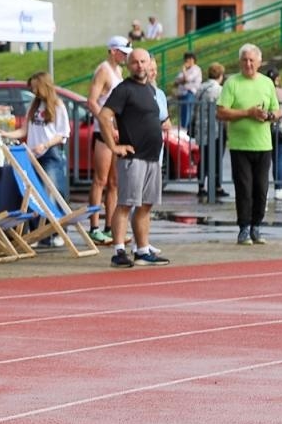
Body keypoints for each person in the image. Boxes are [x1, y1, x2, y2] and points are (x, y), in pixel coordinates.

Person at [98, 48, 169, 267]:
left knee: (146, 205)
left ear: (150, 64)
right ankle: (119, 251)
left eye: (143, 61)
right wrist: (114, 146)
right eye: (135, 62)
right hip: (133, 157)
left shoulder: (150, 89)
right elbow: (104, 116)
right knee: (126, 203)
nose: (139, 66)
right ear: (128, 66)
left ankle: (142, 249)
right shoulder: (124, 89)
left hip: (152, 157)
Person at [216, 44, 281, 246]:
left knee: (261, 189)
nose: (248, 64)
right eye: (245, 60)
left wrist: (268, 116)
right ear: (240, 62)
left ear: (260, 62)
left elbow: (277, 111)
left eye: (252, 60)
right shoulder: (232, 83)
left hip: (263, 145)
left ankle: (257, 226)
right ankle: (243, 227)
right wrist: (247, 113)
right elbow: (221, 112)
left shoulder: (267, 83)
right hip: (240, 145)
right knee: (244, 188)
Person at [85, 35, 130, 244]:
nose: (125, 56)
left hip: (116, 132)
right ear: (113, 51)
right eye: (123, 52)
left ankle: (110, 227)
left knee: (114, 182)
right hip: (103, 131)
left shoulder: (119, 71)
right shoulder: (104, 70)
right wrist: (107, 124)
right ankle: (94, 227)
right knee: (100, 180)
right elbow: (92, 102)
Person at [24, 71, 71, 248]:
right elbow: (24, 130)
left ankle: (58, 232)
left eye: (36, 87)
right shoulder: (34, 105)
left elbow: (63, 134)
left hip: (50, 153)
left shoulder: (58, 105)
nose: (34, 91)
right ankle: (38, 233)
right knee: (34, 193)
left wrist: (45, 145)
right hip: (34, 154)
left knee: (53, 193)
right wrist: (5, 133)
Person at [193, 61, 226, 201]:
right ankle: (217, 186)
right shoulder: (219, 90)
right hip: (216, 128)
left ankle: (201, 186)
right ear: (220, 75)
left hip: (201, 127)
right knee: (216, 157)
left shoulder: (200, 88)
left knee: (203, 158)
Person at [265, 67, 282, 201]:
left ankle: (262, 188)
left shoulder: (264, 90)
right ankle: (279, 188)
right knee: (279, 159)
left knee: (264, 160)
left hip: (265, 128)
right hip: (281, 128)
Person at [172, 51, 202, 129]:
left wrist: (184, 72)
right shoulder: (184, 69)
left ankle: (186, 130)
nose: (186, 61)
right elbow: (176, 81)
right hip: (181, 94)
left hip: (190, 94)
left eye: (188, 59)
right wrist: (181, 80)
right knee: (183, 115)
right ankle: (183, 129)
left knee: (187, 114)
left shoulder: (196, 69)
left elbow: (186, 79)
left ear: (192, 60)